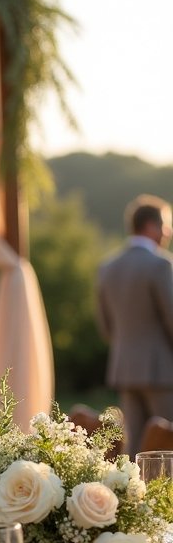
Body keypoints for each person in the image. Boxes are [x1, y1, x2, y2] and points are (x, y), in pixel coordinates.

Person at [96, 194, 173, 458]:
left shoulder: (107, 267)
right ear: (151, 226)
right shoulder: (161, 264)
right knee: (166, 444)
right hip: (163, 370)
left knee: (134, 448)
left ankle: (133, 497)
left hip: (124, 368)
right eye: (166, 226)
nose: (168, 232)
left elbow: (106, 327)